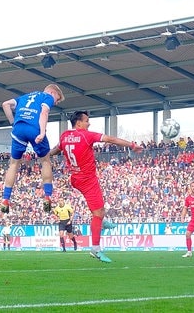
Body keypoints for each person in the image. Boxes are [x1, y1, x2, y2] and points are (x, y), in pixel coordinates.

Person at [50, 110, 142, 263]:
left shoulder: (65, 135)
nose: (89, 123)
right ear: (78, 123)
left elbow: (56, 150)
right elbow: (111, 139)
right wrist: (131, 145)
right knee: (98, 213)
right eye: (87, 120)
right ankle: (96, 249)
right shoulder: (87, 135)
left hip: (75, 178)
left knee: (99, 209)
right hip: (87, 179)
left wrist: (45, 155)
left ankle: (102, 222)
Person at [0, 84, 65, 215]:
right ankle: (47, 197)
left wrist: (13, 122)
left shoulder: (25, 97)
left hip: (18, 129)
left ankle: (5, 199)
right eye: (57, 99)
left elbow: (5, 104)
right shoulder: (47, 96)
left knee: (13, 164)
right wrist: (42, 132)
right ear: (52, 92)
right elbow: (44, 112)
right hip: (34, 129)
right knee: (45, 161)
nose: (56, 102)